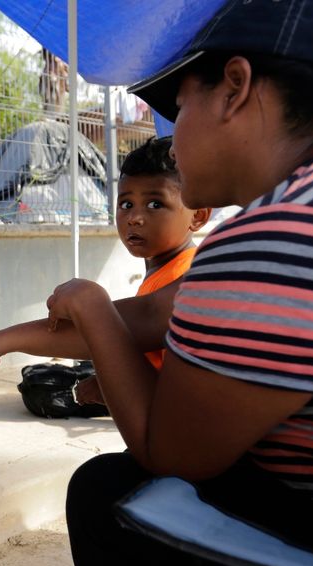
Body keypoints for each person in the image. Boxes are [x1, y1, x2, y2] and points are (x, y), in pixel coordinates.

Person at [0, 0, 313, 566]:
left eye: (178, 109)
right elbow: (154, 317)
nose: (172, 141)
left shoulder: (288, 233)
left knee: (110, 492)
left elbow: (169, 451)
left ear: (234, 87)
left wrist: (91, 302)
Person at [73, 135, 210, 406]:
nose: (134, 218)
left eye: (155, 204)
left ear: (197, 216)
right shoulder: (165, 271)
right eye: (126, 205)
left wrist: (110, 386)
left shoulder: (182, 278)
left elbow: (180, 387)